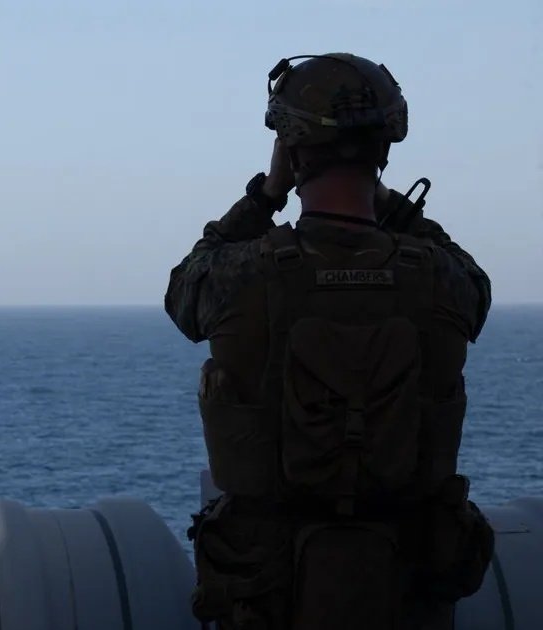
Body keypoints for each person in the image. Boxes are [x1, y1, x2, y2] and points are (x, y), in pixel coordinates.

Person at [165, 53, 495, 629]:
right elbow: (477, 291)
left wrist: (267, 194)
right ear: (385, 151)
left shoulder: (239, 276)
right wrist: (387, 201)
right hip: (410, 592)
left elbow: (183, 292)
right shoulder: (440, 277)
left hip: (268, 595)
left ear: (292, 153)